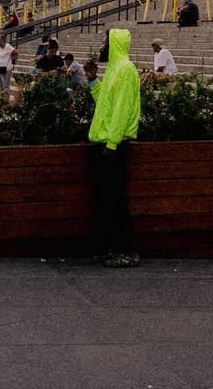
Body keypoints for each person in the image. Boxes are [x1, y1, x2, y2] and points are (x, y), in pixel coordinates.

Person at [88, 27, 141, 268]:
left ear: (113, 44)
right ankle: (109, 247)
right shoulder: (113, 70)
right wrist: (92, 82)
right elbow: (105, 106)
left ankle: (126, 249)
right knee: (105, 200)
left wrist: (112, 144)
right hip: (104, 143)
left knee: (116, 200)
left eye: (104, 41)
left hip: (114, 146)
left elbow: (121, 110)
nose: (101, 45)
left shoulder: (126, 71)